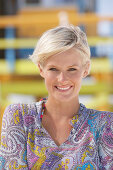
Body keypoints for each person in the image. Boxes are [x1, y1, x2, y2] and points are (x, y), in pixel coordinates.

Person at [0, 25, 113, 170]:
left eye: (72, 69)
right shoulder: (18, 117)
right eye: (53, 69)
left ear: (85, 69)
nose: (62, 78)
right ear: (41, 69)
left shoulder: (105, 125)